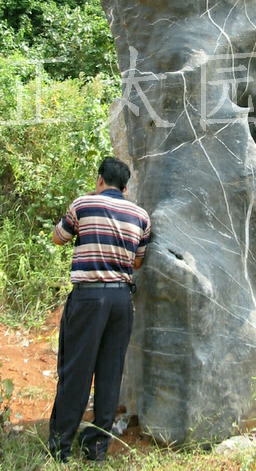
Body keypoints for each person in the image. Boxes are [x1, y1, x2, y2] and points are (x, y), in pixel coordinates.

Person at [48, 157, 151, 463]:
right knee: (109, 374)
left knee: (76, 371)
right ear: (126, 187)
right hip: (121, 301)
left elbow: (58, 238)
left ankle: (61, 448)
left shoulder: (83, 204)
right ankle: (96, 450)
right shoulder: (140, 216)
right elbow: (137, 262)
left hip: (89, 298)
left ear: (100, 180)